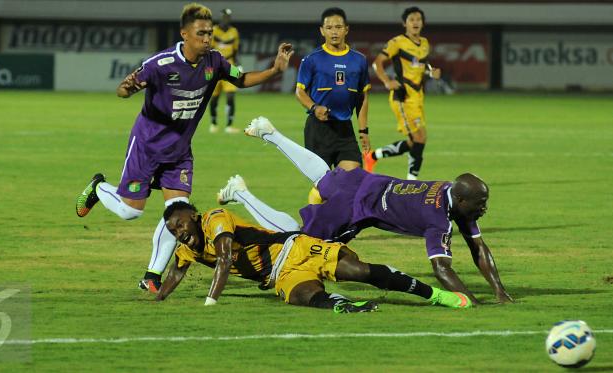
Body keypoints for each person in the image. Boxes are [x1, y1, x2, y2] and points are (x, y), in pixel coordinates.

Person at [75, 3, 294, 293]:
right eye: (201, 33)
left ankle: (152, 275)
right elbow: (123, 89)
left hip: (178, 152)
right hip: (147, 147)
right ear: (185, 34)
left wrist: (275, 70)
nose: (207, 39)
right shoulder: (160, 64)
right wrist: (127, 88)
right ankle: (99, 188)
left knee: (178, 214)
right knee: (131, 212)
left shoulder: (214, 61)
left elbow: (240, 79)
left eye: (210, 33)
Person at [216, 116, 513, 305]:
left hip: (366, 180)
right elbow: (441, 268)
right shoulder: (439, 219)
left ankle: (271, 134)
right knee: (296, 239)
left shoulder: (452, 189)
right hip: (358, 206)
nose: (484, 209)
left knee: (323, 178)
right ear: (462, 202)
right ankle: (241, 192)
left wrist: (499, 290)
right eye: (480, 204)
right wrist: (468, 299)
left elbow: (478, 246)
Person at [155, 201, 471, 312]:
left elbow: (224, 258)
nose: (179, 232)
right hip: (279, 275)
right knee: (304, 296)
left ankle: (437, 295)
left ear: (195, 216)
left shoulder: (215, 218)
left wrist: (211, 301)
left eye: (181, 223)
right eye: (173, 230)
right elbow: (175, 273)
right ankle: (344, 306)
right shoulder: (187, 249)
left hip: (296, 248)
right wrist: (159, 299)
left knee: (358, 271)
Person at [295, 7, 371, 203]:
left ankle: (342, 228)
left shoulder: (359, 60)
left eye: (338, 27)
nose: (334, 31)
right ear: (322, 31)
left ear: (346, 29)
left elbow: (362, 98)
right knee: (323, 186)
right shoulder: (312, 59)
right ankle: (314, 225)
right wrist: (314, 108)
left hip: (344, 129)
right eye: (329, 27)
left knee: (354, 181)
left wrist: (363, 131)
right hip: (318, 130)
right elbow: (299, 92)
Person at [363, 6, 441, 180]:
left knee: (414, 141)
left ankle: (373, 156)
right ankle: (411, 182)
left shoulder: (425, 43)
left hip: (418, 97)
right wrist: (386, 81)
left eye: (418, 19)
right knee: (420, 137)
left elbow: (421, 66)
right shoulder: (397, 42)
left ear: (423, 23)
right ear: (404, 23)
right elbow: (377, 63)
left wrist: (431, 72)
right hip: (402, 96)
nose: (415, 22)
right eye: (411, 19)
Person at [209, 8, 241, 134]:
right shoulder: (214, 31)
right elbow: (208, 50)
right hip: (215, 67)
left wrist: (238, 64)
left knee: (230, 96)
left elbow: (235, 50)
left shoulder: (234, 31)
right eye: (224, 17)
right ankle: (213, 123)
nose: (226, 19)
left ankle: (229, 125)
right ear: (221, 17)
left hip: (230, 66)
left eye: (228, 17)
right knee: (213, 97)